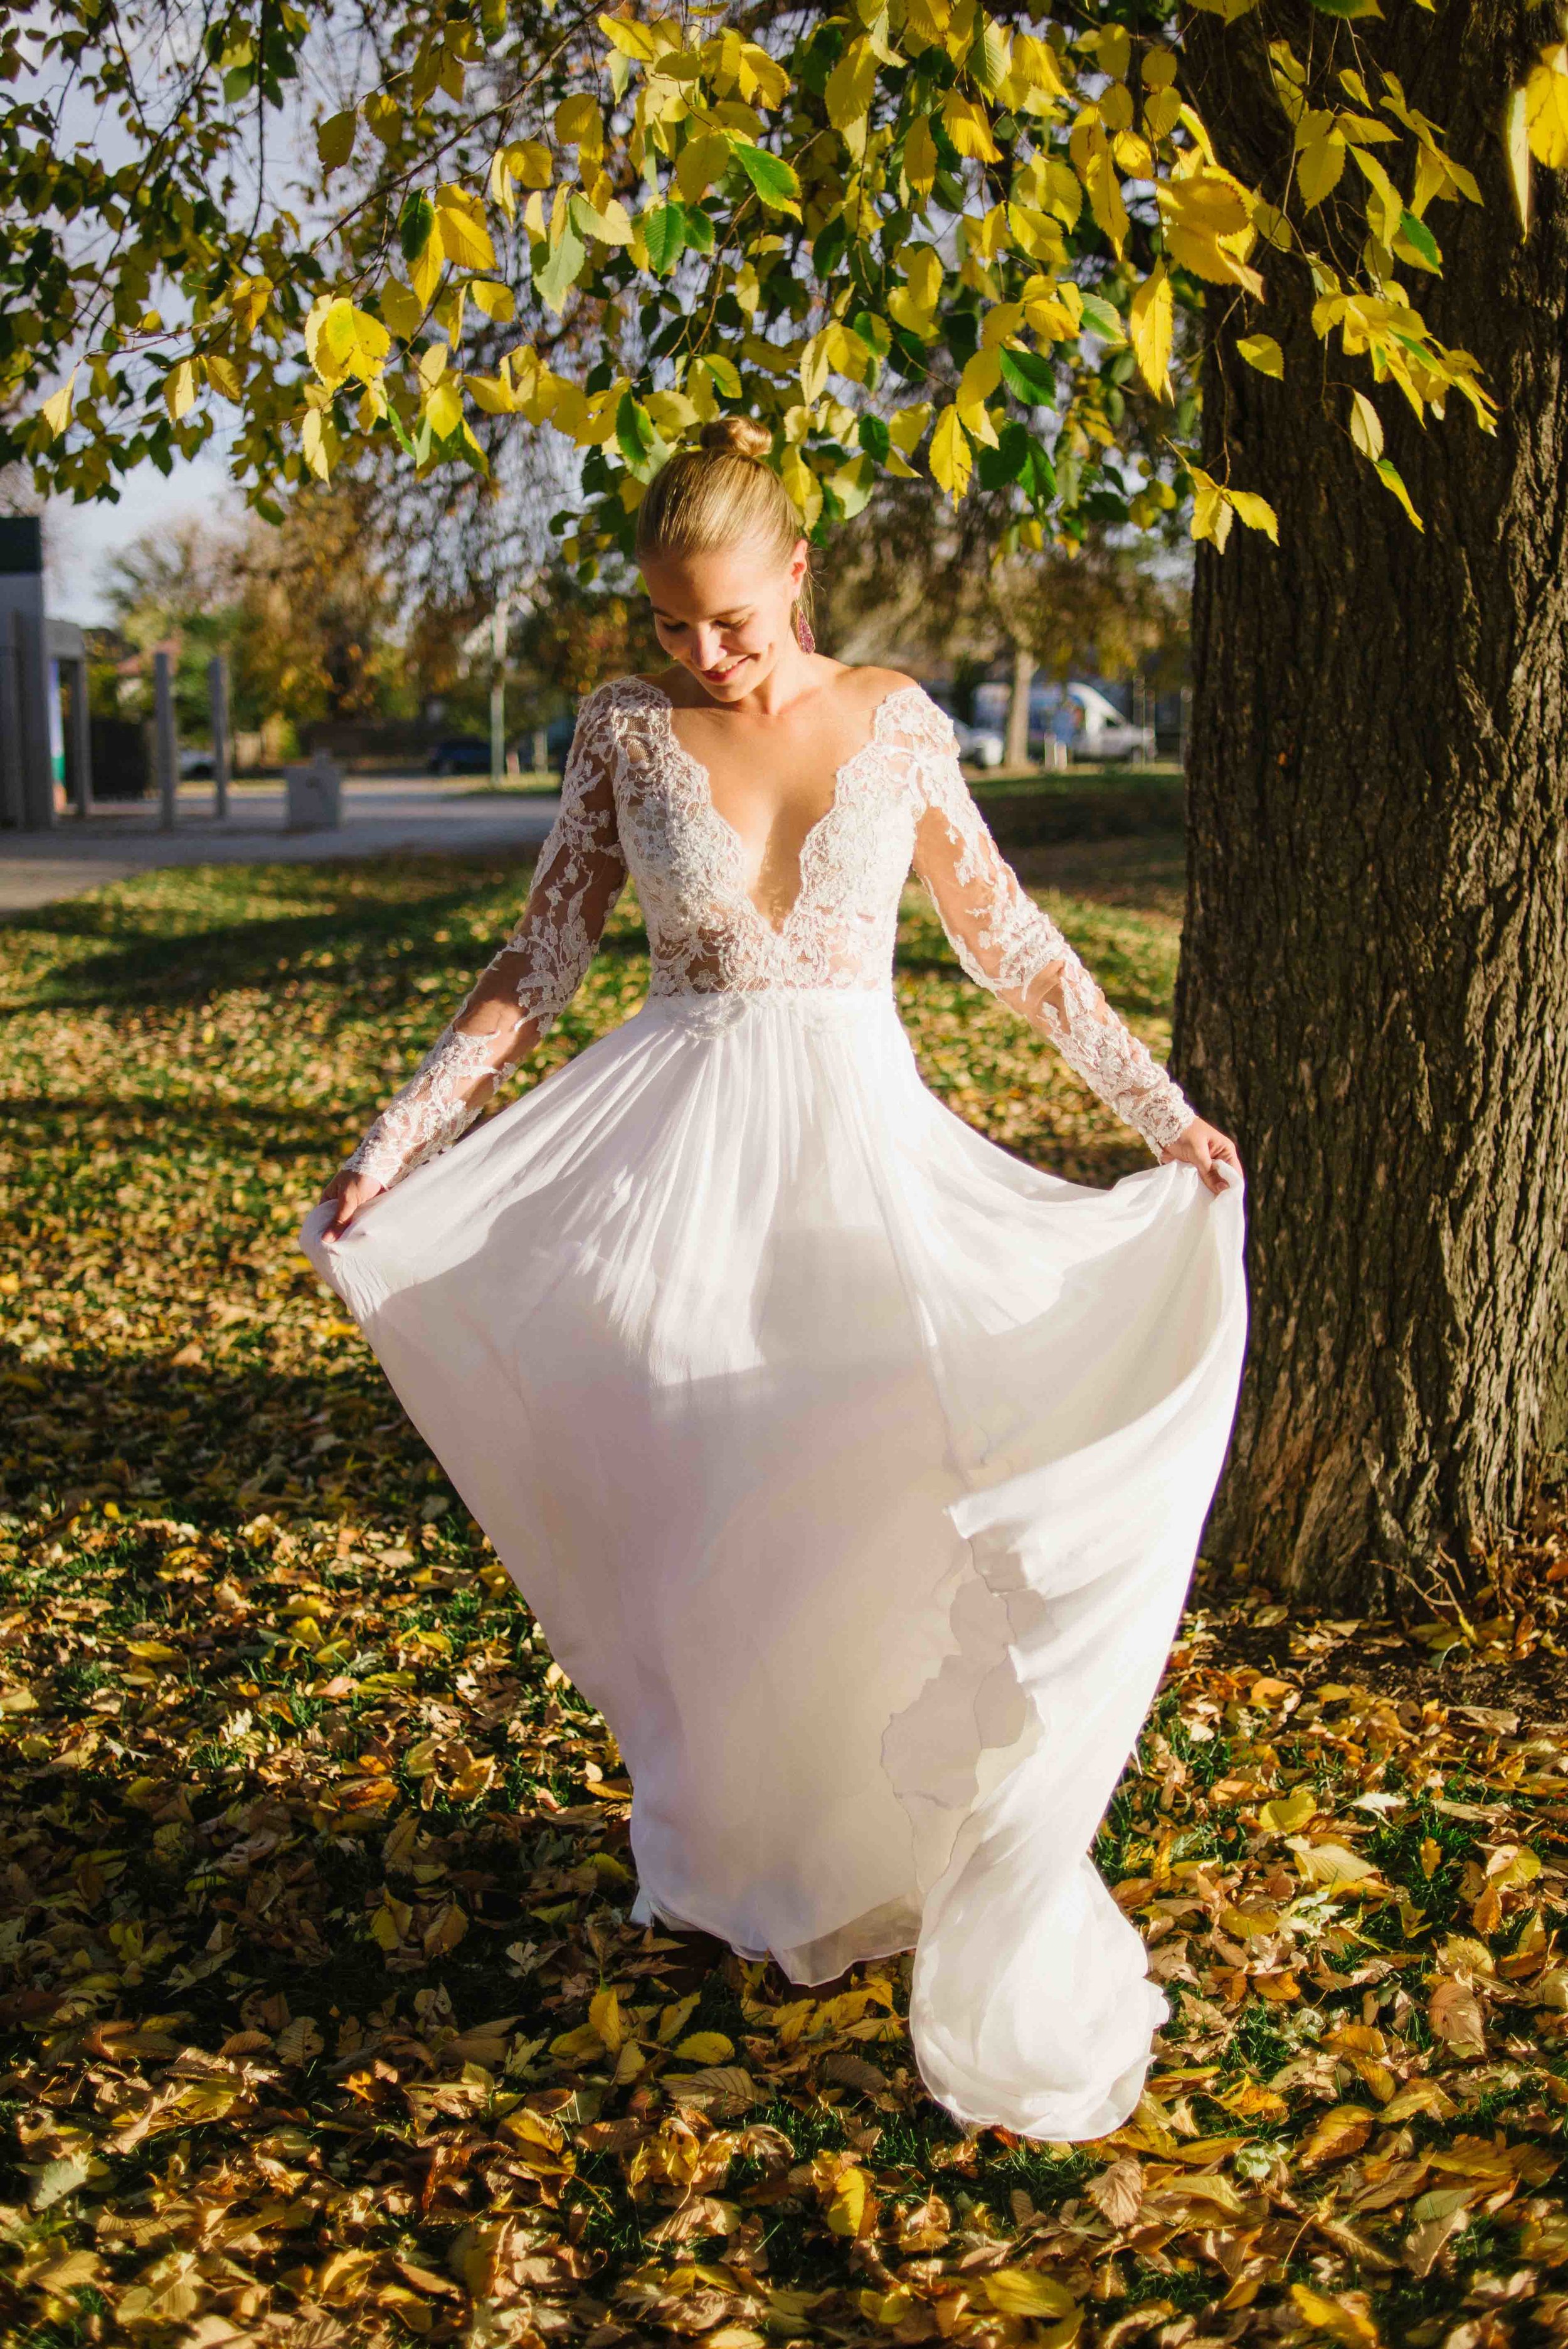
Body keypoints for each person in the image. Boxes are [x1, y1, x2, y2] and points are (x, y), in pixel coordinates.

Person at [301, 417, 1248, 2141]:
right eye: (670, 627)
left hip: (862, 1172)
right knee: (711, 1525)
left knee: (875, 1498)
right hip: (670, 1174)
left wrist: (1165, 1115)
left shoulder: (893, 722)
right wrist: (398, 1141)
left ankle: (880, 1847)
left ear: (797, 575)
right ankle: (732, 1858)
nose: (701, 655)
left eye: (727, 621)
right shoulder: (619, 733)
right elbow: (539, 957)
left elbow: (1011, 943)